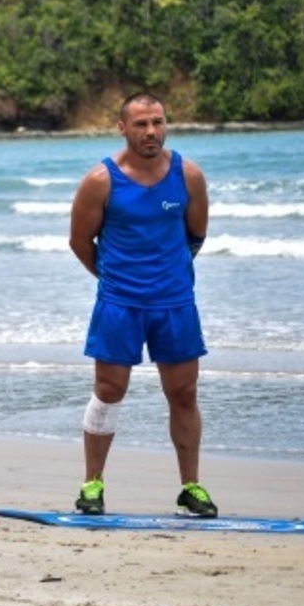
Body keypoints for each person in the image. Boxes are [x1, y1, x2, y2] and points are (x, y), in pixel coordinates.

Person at [68, 92, 215, 517]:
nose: (151, 131)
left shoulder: (188, 175)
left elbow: (196, 237)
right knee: (108, 391)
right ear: (122, 128)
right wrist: (116, 280)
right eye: (141, 124)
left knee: (184, 394)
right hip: (120, 304)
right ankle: (92, 484)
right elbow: (80, 241)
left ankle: (191, 487)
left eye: (158, 122)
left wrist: (166, 277)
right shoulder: (101, 180)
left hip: (175, 304)